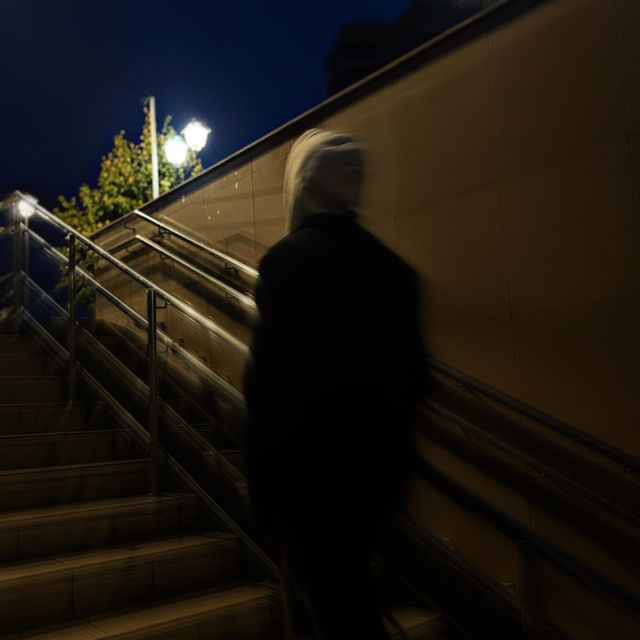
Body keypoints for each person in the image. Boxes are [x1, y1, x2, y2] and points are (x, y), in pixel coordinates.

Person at [244, 129, 427, 639]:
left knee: (337, 610)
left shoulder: (287, 263)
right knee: (353, 603)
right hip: (379, 480)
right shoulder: (394, 270)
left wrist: (264, 495)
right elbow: (415, 378)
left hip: (313, 483)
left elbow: (269, 388)